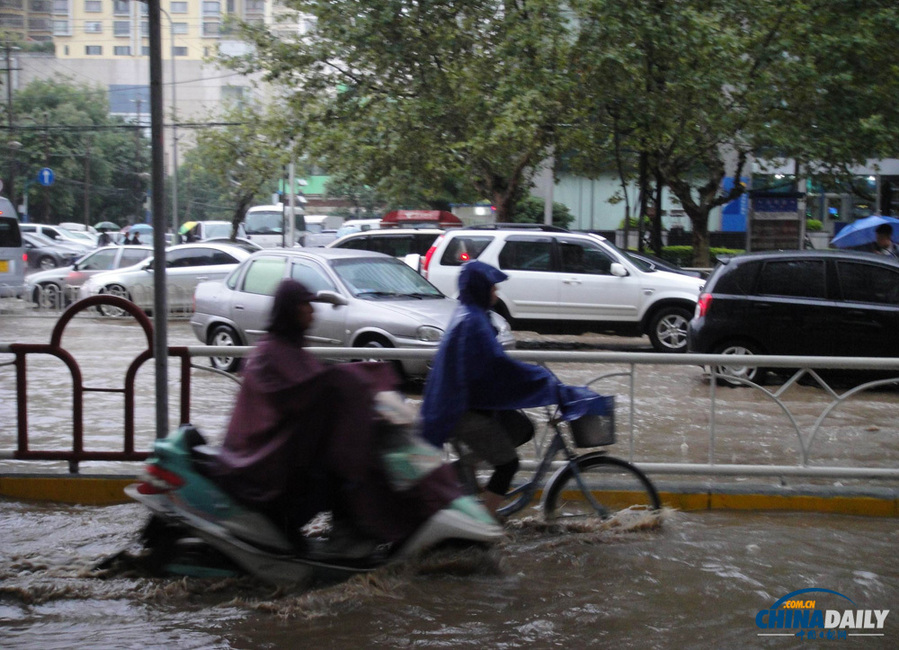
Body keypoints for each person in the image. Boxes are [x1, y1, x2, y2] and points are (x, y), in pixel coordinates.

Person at [209, 279, 462, 557]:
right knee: (350, 470)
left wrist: (364, 387)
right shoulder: (270, 356)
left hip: (284, 460)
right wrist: (346, 383)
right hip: (266, 469)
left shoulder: (288, 350)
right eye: (306, 305)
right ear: (290, 310)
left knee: (349, 461)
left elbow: (317, 385)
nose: (312, 312)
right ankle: (348, 543)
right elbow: (307, 392)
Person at [420, 261, 603, 518]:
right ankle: (486, 524)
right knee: (509, 464)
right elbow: (498, 366)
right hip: (459, 409)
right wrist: (541, 379)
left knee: (522, 428)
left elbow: (492, 366)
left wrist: (535, 377)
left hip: (460, 403)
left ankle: (465, 474)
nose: (495, 292)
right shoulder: (472, 322)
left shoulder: (471, 314)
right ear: (480, 288)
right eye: (491, 287)